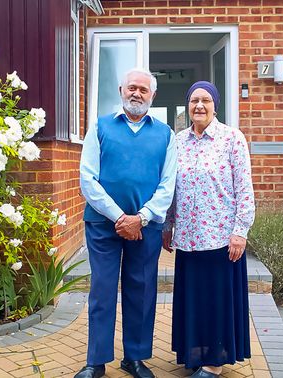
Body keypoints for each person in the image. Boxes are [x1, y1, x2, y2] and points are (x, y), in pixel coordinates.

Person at [77, 68, 177, 378]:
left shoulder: (165, 135)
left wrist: (141, 217)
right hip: (103, 225)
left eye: (143, 90)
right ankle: (96, 361)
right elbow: (87, 178)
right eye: (132, 88)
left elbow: (167, 185)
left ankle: (134, 357)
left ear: (152, 96)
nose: (136, 93)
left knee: (142, 290)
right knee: (102, 290)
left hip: (145, 227)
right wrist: (119, 217)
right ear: (121, 90)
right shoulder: (101, 127)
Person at [163, 81, 255, 377]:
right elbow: (171, 189)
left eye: (205, 100)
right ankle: (195, 354)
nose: (199, 106)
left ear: (215, 105)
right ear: (187, 106)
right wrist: (168, 224)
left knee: (216, 301)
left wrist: (240, 230)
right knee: (194, 300)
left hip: (220, 239)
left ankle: (214, 362)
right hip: (189, 239)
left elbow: (244, 190)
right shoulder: (178, 141)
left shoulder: (231, 139)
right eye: (193, 100)